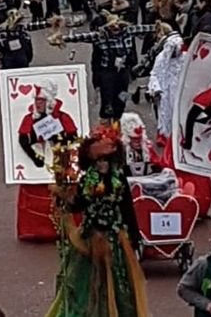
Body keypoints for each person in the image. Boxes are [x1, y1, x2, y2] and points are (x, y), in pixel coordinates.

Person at [47, 127, 147, 317]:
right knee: (85, 285)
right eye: (99, 161)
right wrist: (63, 197)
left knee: (120, 286)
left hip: (115, 242)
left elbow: (127, 208)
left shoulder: (119, 180)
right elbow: (78, 205)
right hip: (90, 240)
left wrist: (135, 236)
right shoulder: (88, 181)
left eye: (106, 160)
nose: (103, 164)